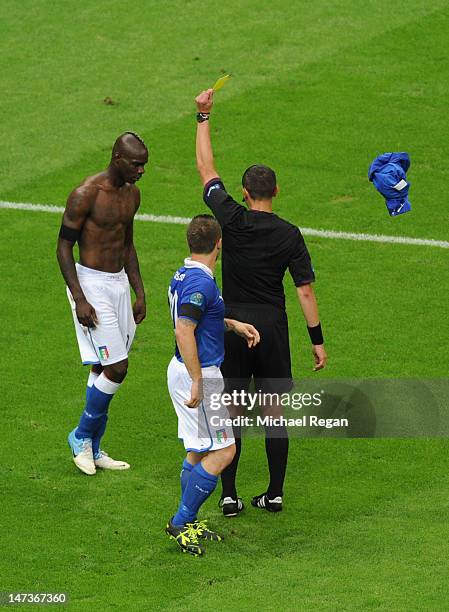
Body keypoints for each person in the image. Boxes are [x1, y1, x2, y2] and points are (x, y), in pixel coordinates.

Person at [195, 89, 327, 515]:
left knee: (231, 412)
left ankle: (229, 496)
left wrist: (203, 117)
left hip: (232, 328)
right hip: (270, 329)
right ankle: (275, 494)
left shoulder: (230, 219)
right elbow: (304, 289)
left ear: (244, 193)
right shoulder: (289, 234)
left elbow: (205, 168)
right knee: (273, 412)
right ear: (277, 191)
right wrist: (317, 340)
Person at [166, 214, 260, 556]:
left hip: (186, 369)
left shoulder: (185, 274)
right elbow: (183, 330)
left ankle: (187, 522)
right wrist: (197, 380)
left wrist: (232, 324)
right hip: (200, 374)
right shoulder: (201, 283)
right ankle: (181, 521)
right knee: (224, 450)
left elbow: (198, 320)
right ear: (219, 243)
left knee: (199, 449)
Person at [56, 132, 148, 476]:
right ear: (117, 158)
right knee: (118, 367)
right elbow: (63, 247)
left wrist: (139, 291)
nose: (141, 171)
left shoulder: (132, 195)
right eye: (136, 164)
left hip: (118, 285)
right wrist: (79, 297)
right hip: (91, 285)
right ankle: (80, 435)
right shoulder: (85, 195)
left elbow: (127, 245)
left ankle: (94, 447)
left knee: (101, 366)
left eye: (144, 165)